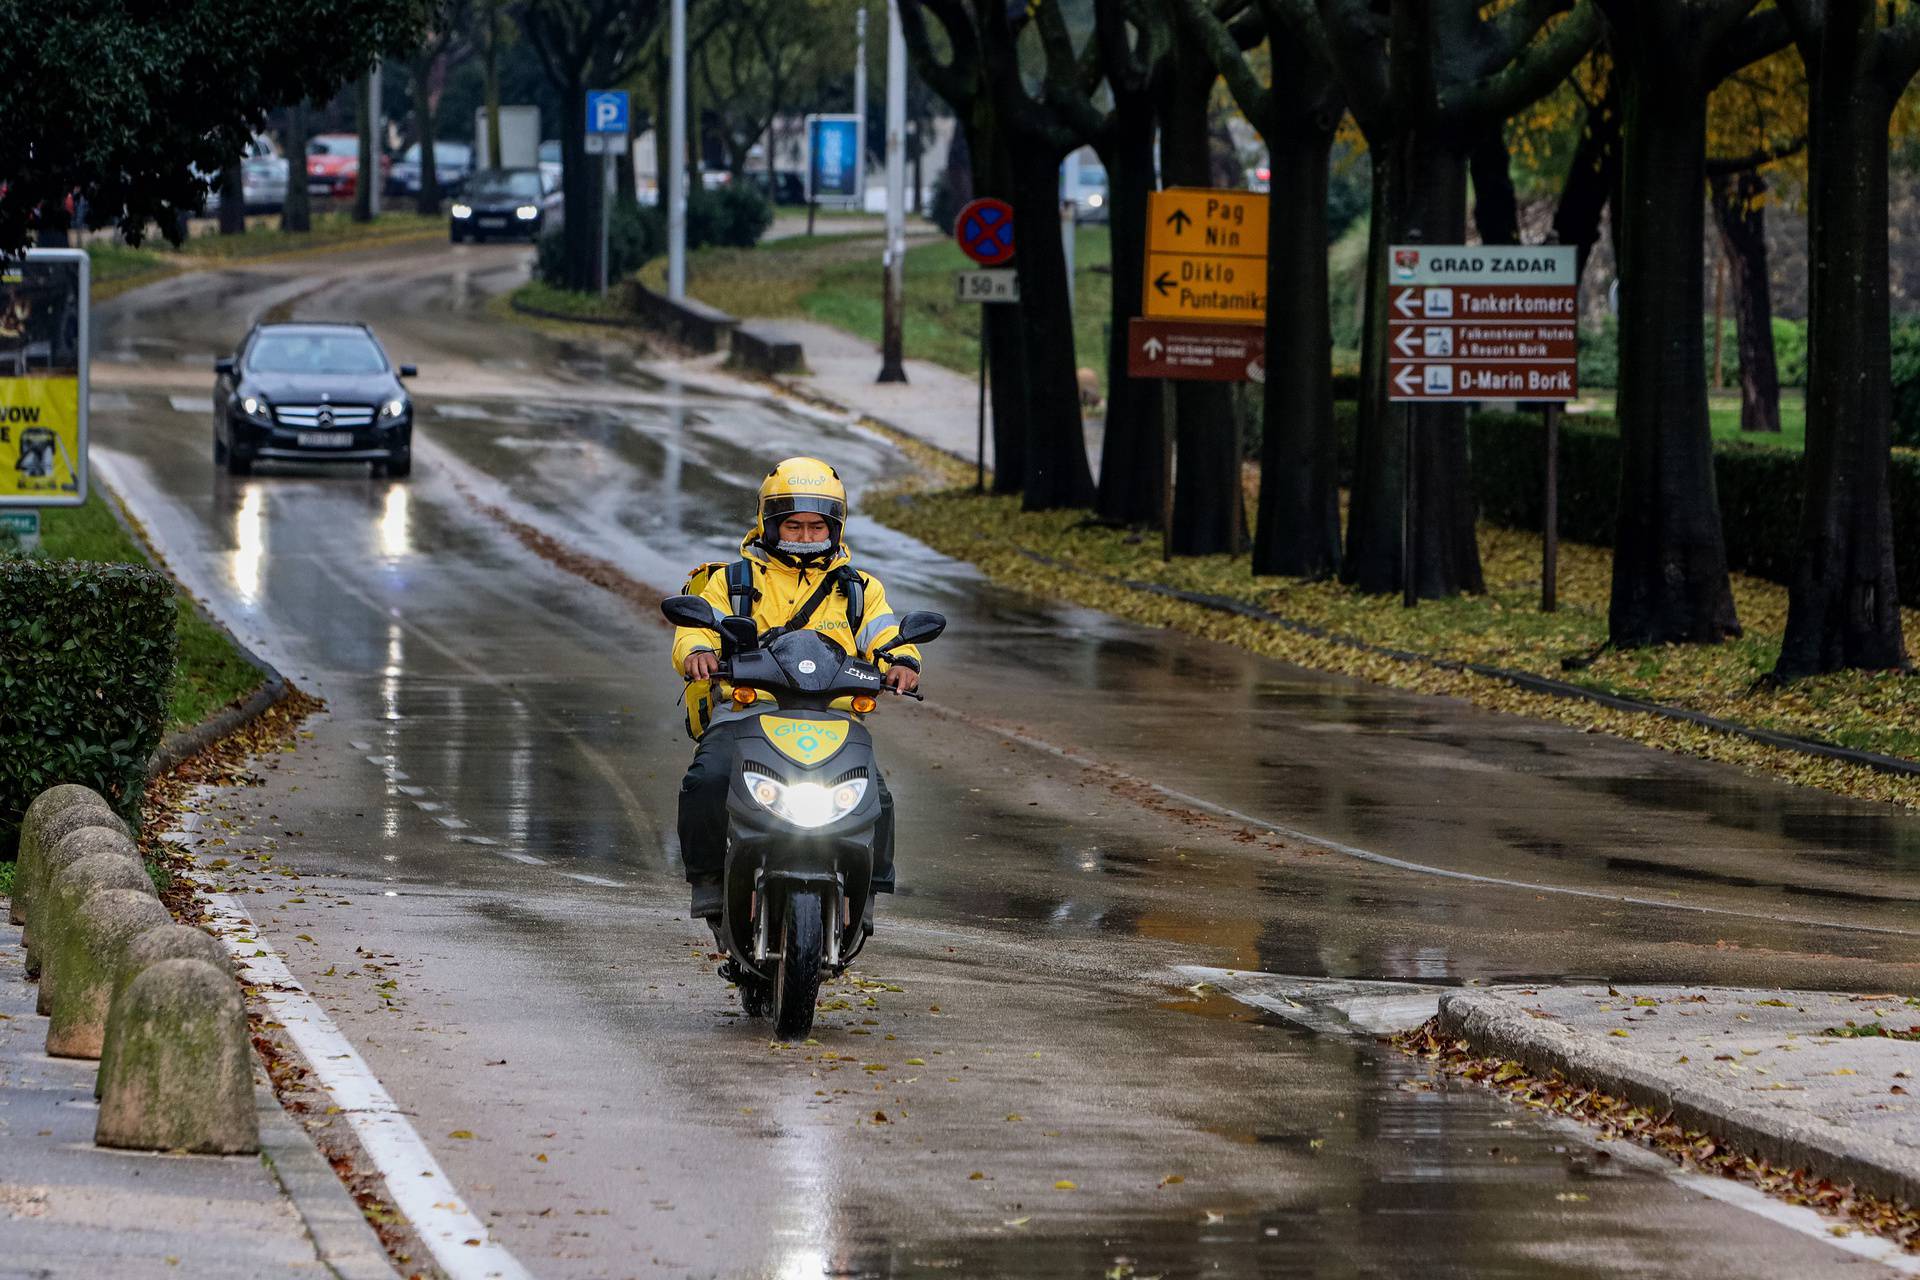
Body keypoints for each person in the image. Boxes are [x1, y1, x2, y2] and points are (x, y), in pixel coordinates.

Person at [671, 457, 921, 921]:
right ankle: (706, 878)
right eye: (794, 526)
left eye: (815, 527)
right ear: (769, 524)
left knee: (878, 798)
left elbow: (885, 636)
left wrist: (903, 661)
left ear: (836, 528)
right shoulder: (734, 581)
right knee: (706, 780)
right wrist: (696, 652)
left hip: (834, 717)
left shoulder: (861, 590)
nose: (805, 537)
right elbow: (698, 629)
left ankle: (867, 891)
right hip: (748, 713)